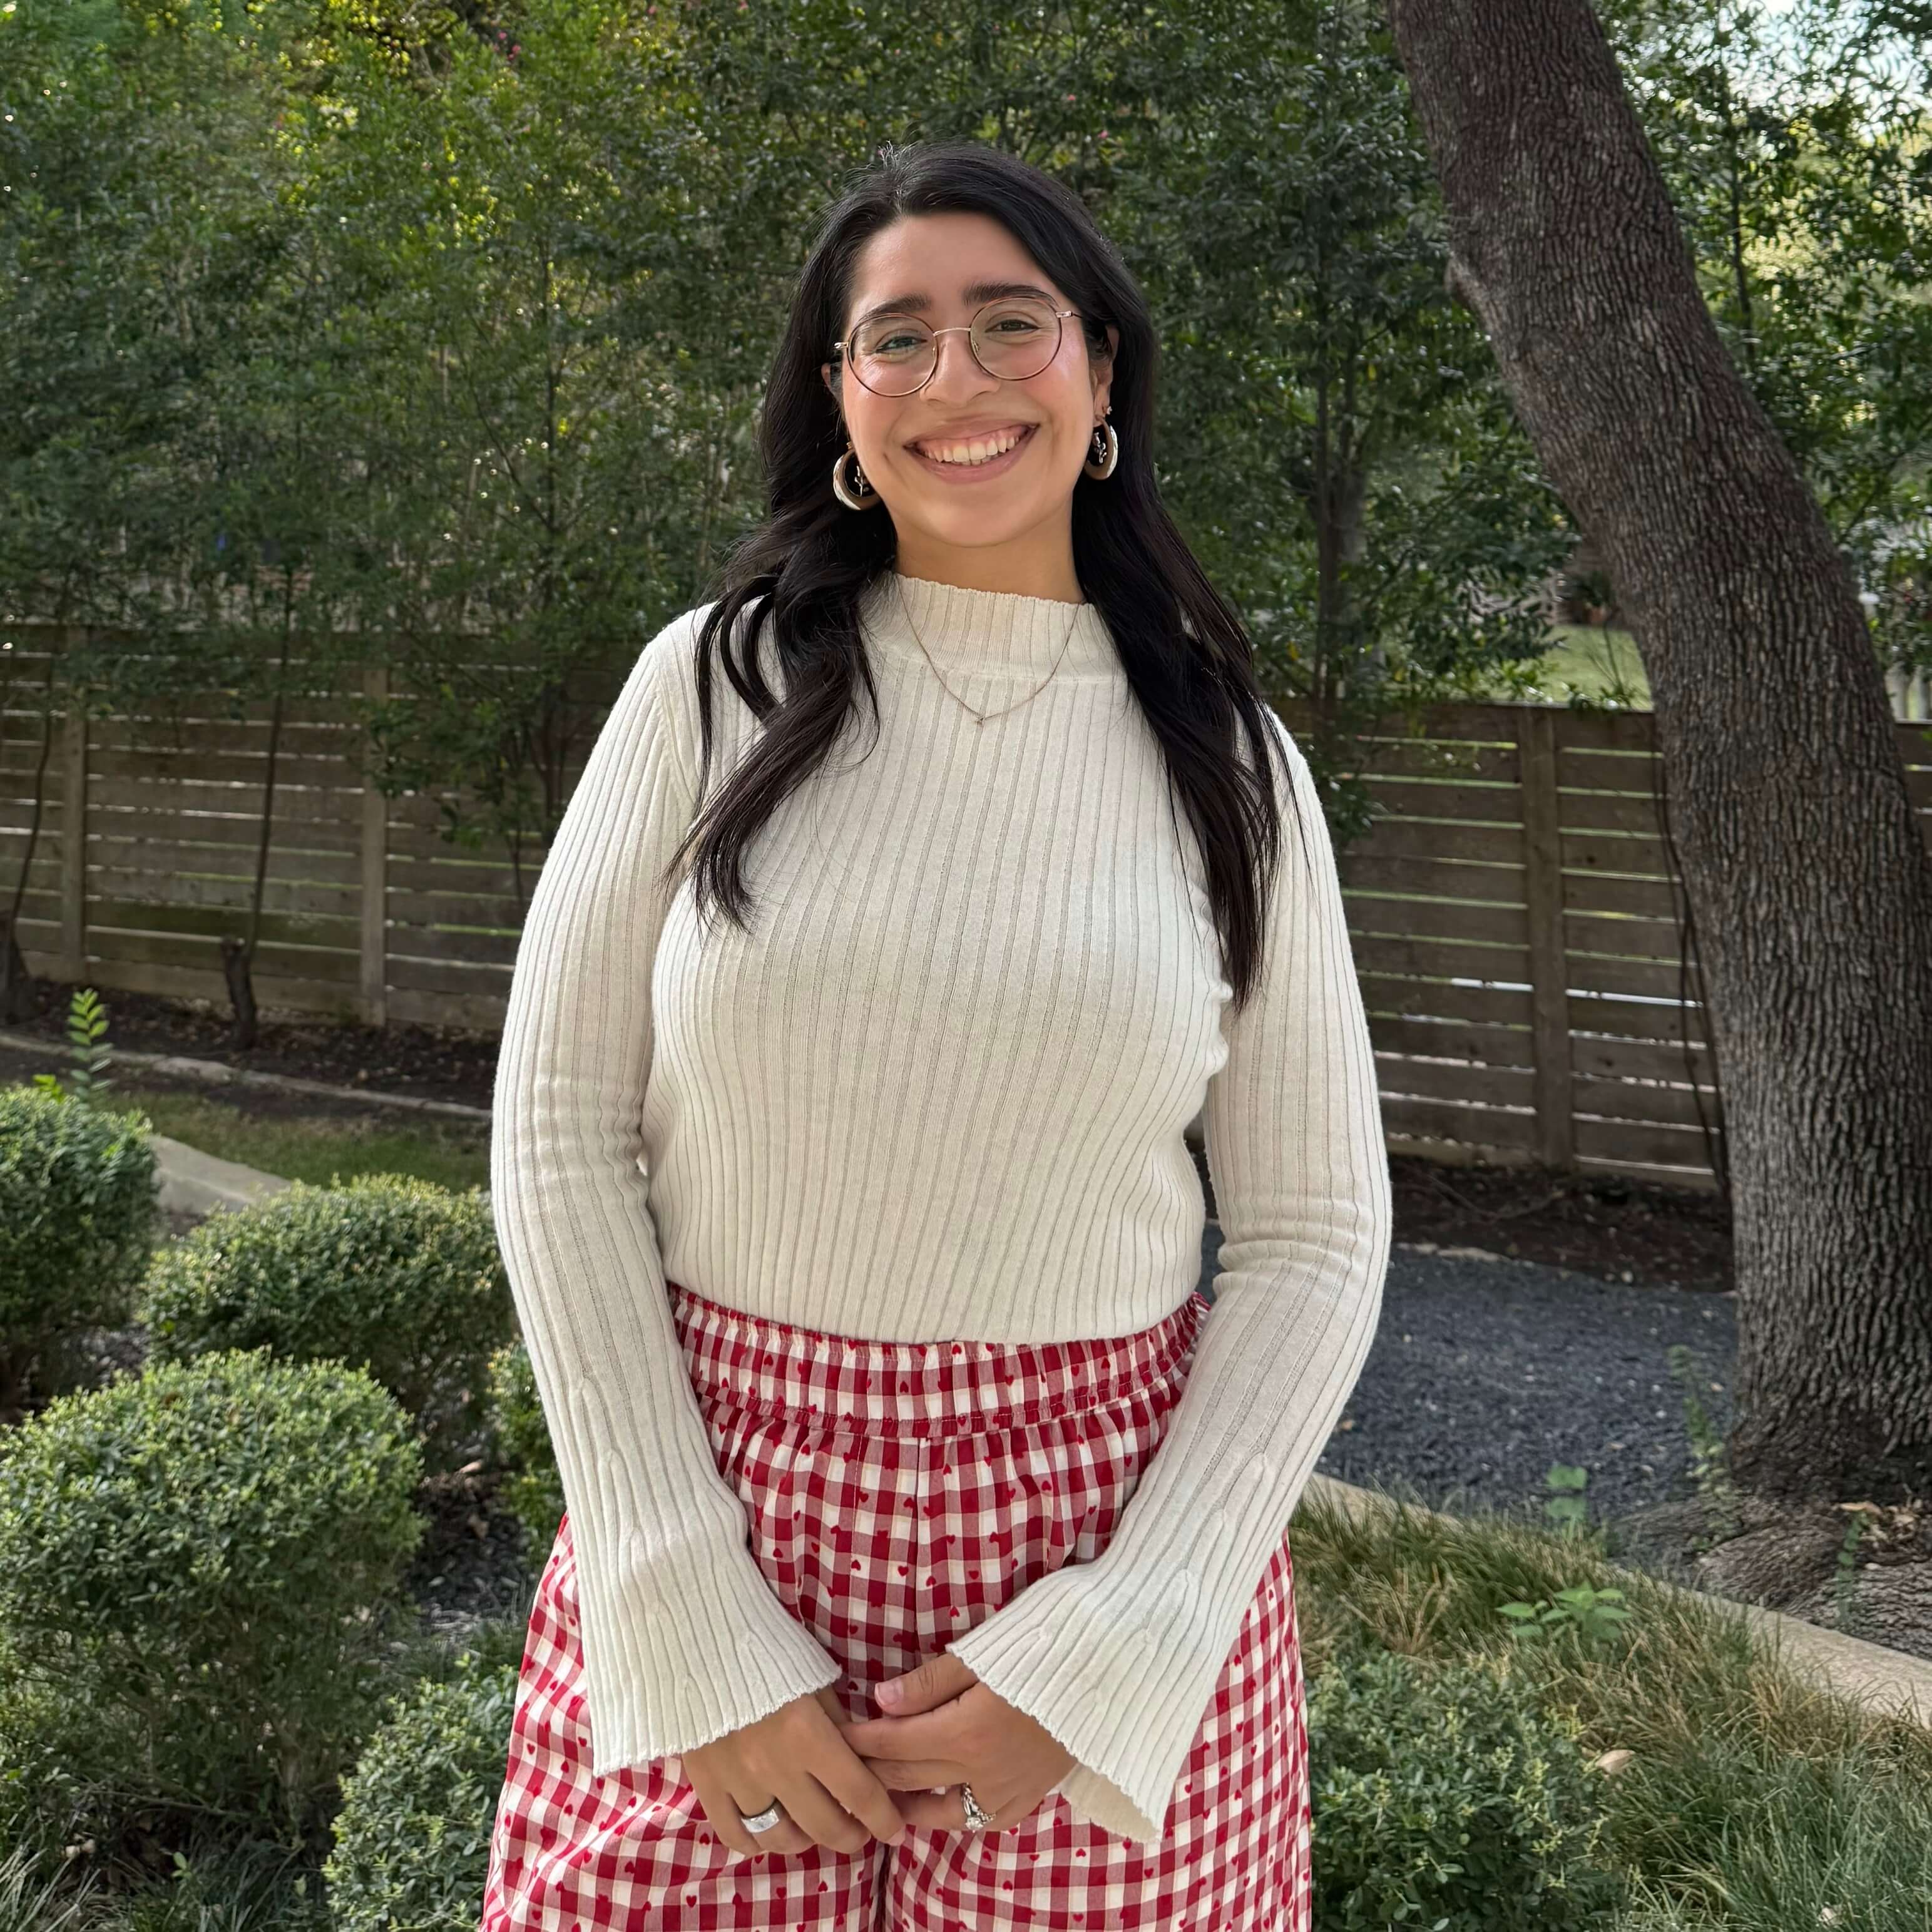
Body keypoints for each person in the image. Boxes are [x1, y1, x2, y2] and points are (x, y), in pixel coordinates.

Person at [481, 135, 1390, 1931]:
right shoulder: (709, 687)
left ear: (1103, 369)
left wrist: (1124, 1638)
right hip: (720, 1534)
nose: (953, 380)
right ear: (837, 394)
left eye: (1009, 324)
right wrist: (683, 1603)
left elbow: (1314, 1237)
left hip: (1097, 1585)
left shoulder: (1232, 765)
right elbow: (558, 1135)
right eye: (894, 337)